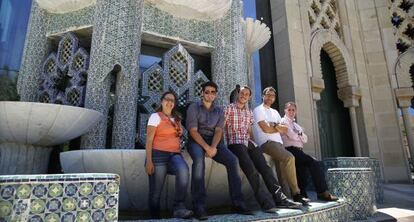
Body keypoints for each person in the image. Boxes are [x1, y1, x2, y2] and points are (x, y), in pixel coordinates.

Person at [224, 86, 302, 212]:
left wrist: (254, 144)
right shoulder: (229, 108)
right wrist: (222, 145)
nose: (244, 95)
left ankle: (280, 199)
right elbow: (221, 127)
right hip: (235, 143)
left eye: (247, 94)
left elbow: (249, 131)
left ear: (249, 97)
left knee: (265, 169)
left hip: (248, 142)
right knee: (251, 169)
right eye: (242, 93)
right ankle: (266, 204)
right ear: (238, 94)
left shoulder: (248, 112)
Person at [186, 81, 253, 220]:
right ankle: (199, 205)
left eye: (212, 92)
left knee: (233, 160)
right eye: (207, 92)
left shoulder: (219, 111)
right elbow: (192, 131)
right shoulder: (194, 107)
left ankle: (237, 203)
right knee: (199, 162)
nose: (209, 94)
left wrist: (213, 147)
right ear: (202, 93)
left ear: (215, 95)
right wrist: (206, 147)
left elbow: (218, 131)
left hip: (215, 141)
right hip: (196, 141)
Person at [252, 87, 310, 205]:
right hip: (266, 143)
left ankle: (286, 198)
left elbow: (284, 129)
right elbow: (265, 129)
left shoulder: (275, 112)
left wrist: (274, 126)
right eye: (268, 95)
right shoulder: (258, 110)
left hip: (278, 144)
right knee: (290, 157)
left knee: (282, 170)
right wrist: (276, 128)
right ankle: (296, 194)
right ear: (263, 96)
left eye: (272, 96)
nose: (270, 98)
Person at [145, 91, 193, 219]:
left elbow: (179, 136)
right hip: (157, 155)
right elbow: (149, 139)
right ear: (162, 101)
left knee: (183, 170)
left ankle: (179, 207)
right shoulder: (155, 116)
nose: (169, 102)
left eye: (172, 100)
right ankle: (155, 218)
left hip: (174, 154)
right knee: (156, 192)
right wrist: (149, 161)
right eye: (167, 99)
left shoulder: (177, 119)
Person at [281, 102, 338, 201]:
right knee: (314, 162)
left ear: (296, 112)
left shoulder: (296, 125)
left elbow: (305, 139)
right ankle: (322, 192)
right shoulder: (283, 121)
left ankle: (302, 195)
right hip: (290, 149)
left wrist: (298, 134)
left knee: (301, 172)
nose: (291, 112)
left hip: (299, 150)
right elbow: (292, 135)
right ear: (285, 110)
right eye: (289, 110)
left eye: (293, 110)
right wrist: (299, 135)